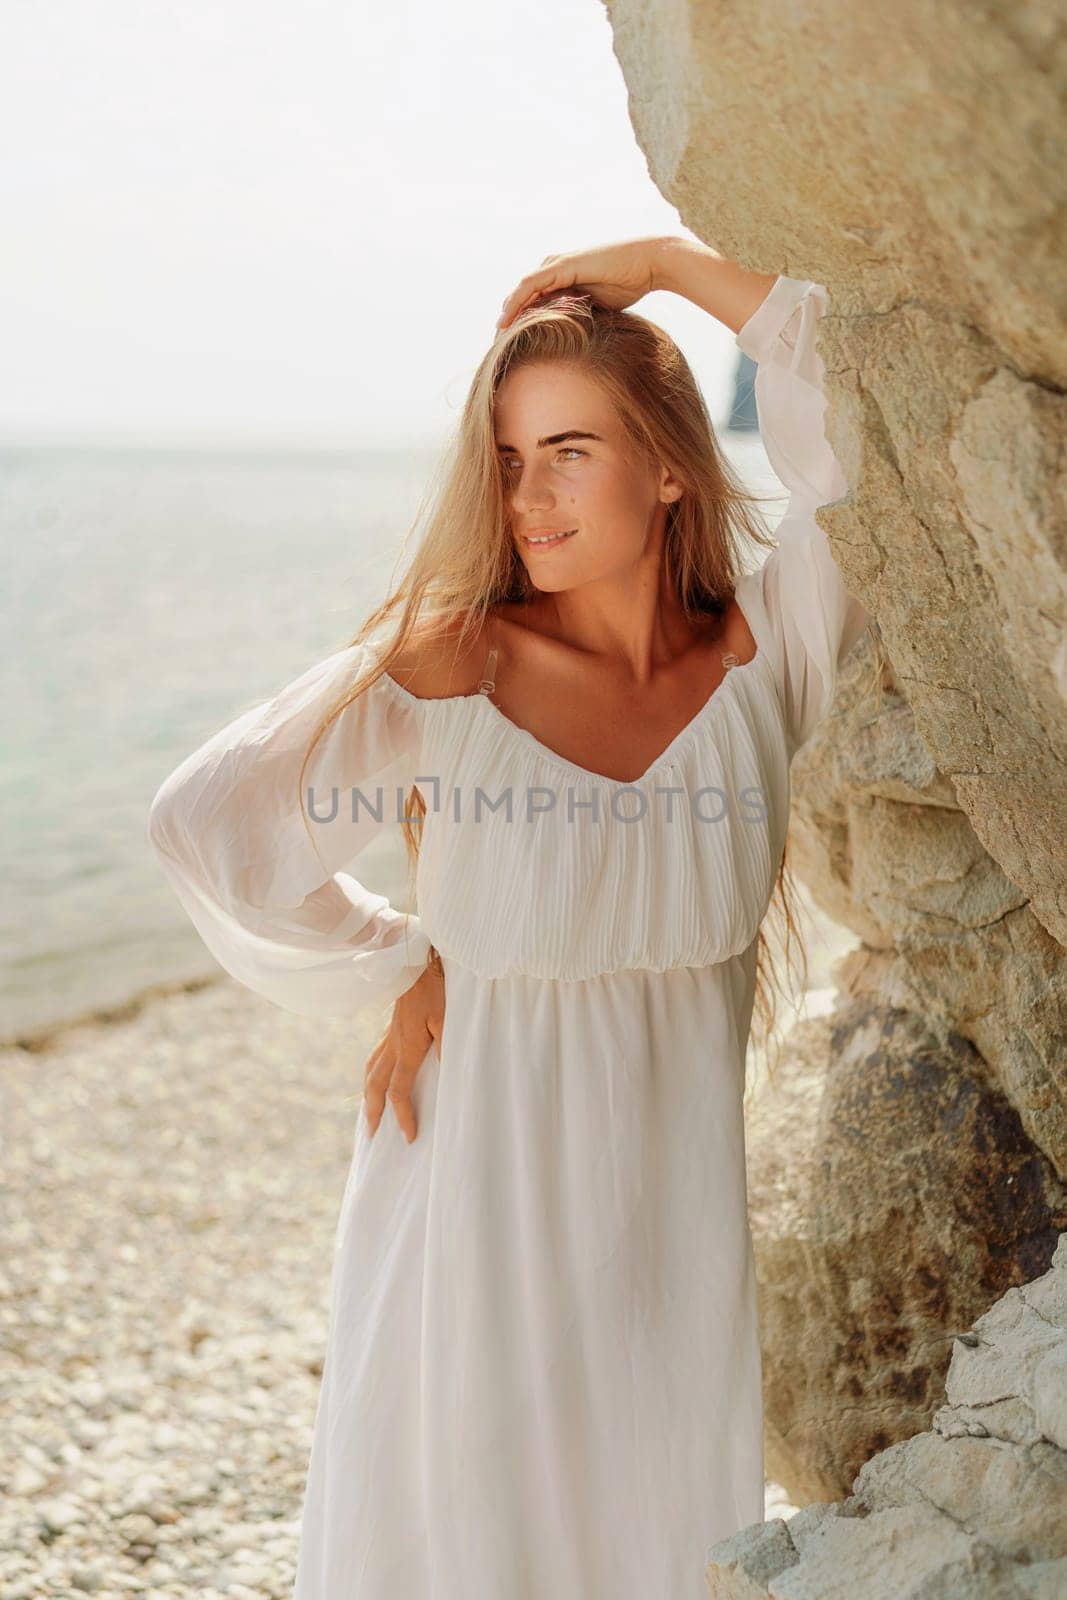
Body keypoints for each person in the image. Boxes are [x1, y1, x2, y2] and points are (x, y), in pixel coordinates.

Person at [147, 234, 871, 1599]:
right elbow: (211, 824)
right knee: (456, 1540)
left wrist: (661, 264)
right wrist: (398, 961)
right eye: (510, 456)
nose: (527, 497)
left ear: (670, 467)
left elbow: (846, 405)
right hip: (470, 1196)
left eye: (571, 452)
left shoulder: (771, 659)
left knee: (644, 1534)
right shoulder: (456, 665)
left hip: (667, 1229)